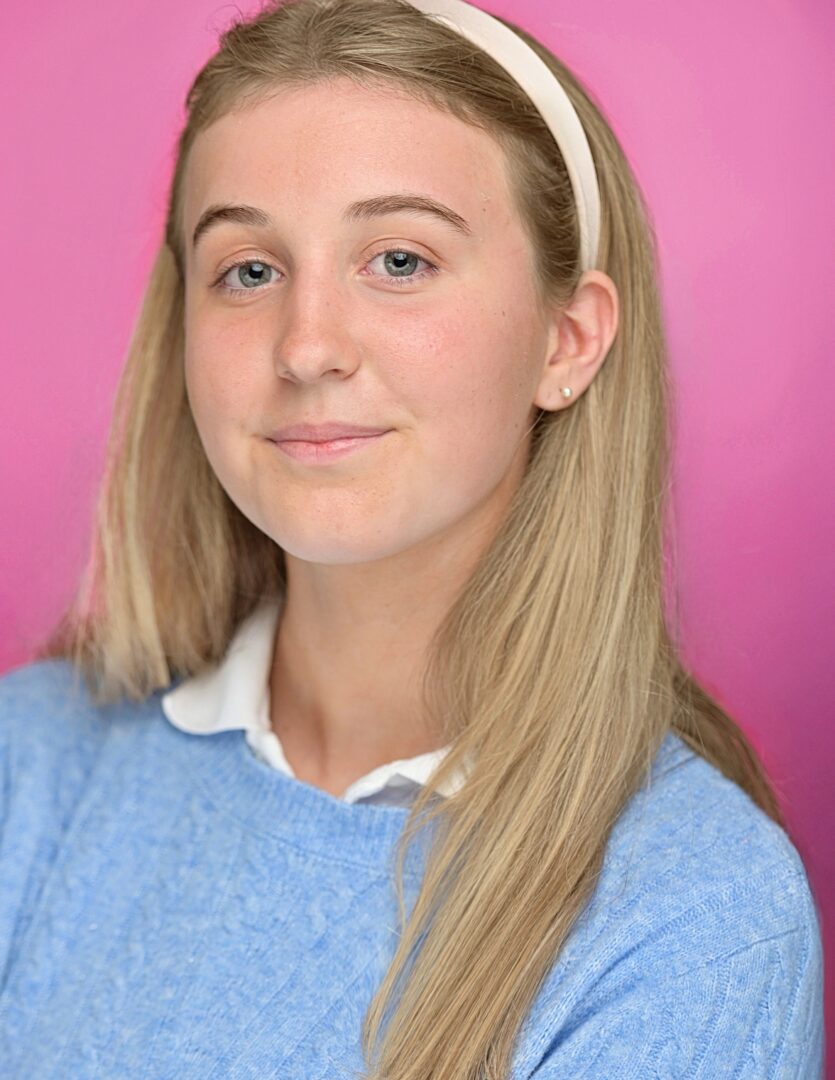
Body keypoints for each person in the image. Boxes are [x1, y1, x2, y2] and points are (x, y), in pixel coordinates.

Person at [0, 0, 824, 1076]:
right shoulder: (30, 766)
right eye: (249, 270)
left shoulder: (693, 916)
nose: (306, 348)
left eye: (397, 260)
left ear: (566, 341)